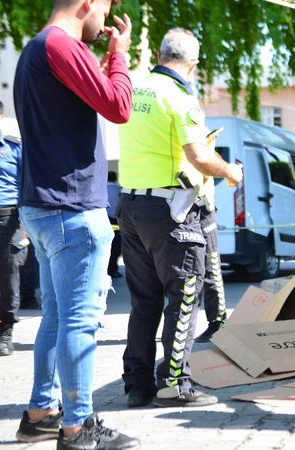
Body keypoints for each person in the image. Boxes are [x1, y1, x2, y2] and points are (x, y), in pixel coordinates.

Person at [12, 0, 139, 448]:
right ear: (87, 3)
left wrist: (104, 65)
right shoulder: (63, 47)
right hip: (71, 209)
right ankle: (78, 427)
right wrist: (119, 55)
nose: (105, 21)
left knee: (55, 317)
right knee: (79, 322)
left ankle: (40, 413)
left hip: (42, 205)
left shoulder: (36, 49)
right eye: (104, 8)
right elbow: (119, 106)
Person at [118, 28, 242, 409]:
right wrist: (230, 172)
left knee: (144, 300)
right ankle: (174, 384)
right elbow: (198, 155)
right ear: (192, 63)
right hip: (171, 211)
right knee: (183, 296)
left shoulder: (136, 89)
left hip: (131, 206)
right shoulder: (180, 97)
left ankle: (137, 384)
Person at [0, 95, 25, 357]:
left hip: (6, 221)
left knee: (7, 277)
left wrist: (26, 224)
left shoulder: (14, 148)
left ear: (0, 117)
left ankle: (6, 330)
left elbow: (28, 186)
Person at [195, 177, 228, 343]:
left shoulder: (204, 151)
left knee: (211, 267)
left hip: (202, 207)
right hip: (183, 207)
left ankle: (218, 321)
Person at [106, 171, 122, 278]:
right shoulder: (119, 190)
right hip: (116, 222)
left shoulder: (101, 189)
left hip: (103, 220)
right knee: (115, 247)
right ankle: (112, 270)